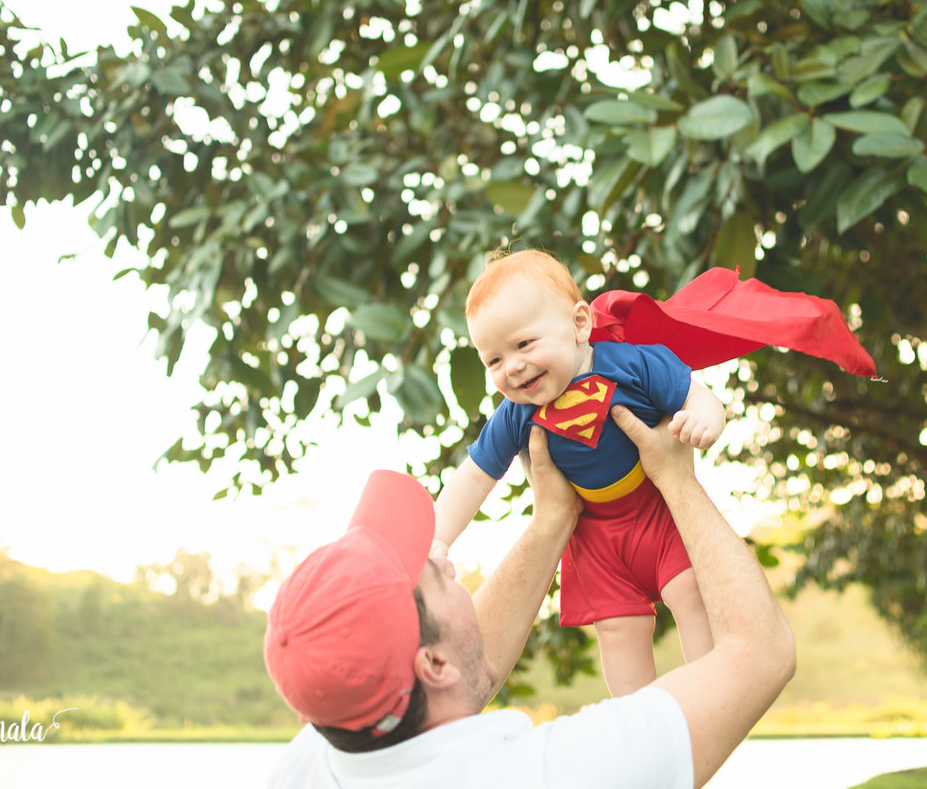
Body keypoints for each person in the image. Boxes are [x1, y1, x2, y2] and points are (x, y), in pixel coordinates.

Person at [263, 412, 795, 789]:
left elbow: (458, 671)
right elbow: (760, 652)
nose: (446, 563)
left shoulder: (317, 758)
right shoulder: (558, 774)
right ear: (433, 664)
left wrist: (553, 521)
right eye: (431, 576)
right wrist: (676, 477)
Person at [432, 248, 726, 696]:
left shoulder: (631, 363)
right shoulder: (515, 414)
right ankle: (636, 720)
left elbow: (694, 393)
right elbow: (474, 477)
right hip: (595, 537)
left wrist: (705, 420)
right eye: (493, 360)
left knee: (692, 592)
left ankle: (713, 694)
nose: (512, 366)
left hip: (657, 512)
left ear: (579, 324)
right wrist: (437, 539)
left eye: (524, 344)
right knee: (617, 628)